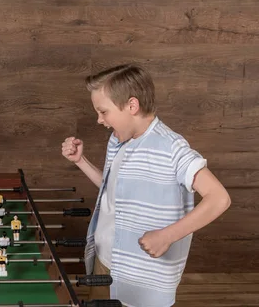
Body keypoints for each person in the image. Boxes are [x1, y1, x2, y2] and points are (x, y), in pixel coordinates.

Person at [61, 64, 231, 307]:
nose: (99, 120)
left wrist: (167, 236)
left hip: (143, 276)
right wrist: (81, 161)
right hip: (105, 259)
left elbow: (219, 198)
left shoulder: (172, 148)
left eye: (103, 112)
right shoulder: (119, 141)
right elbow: (115, 193)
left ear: (132, 106)